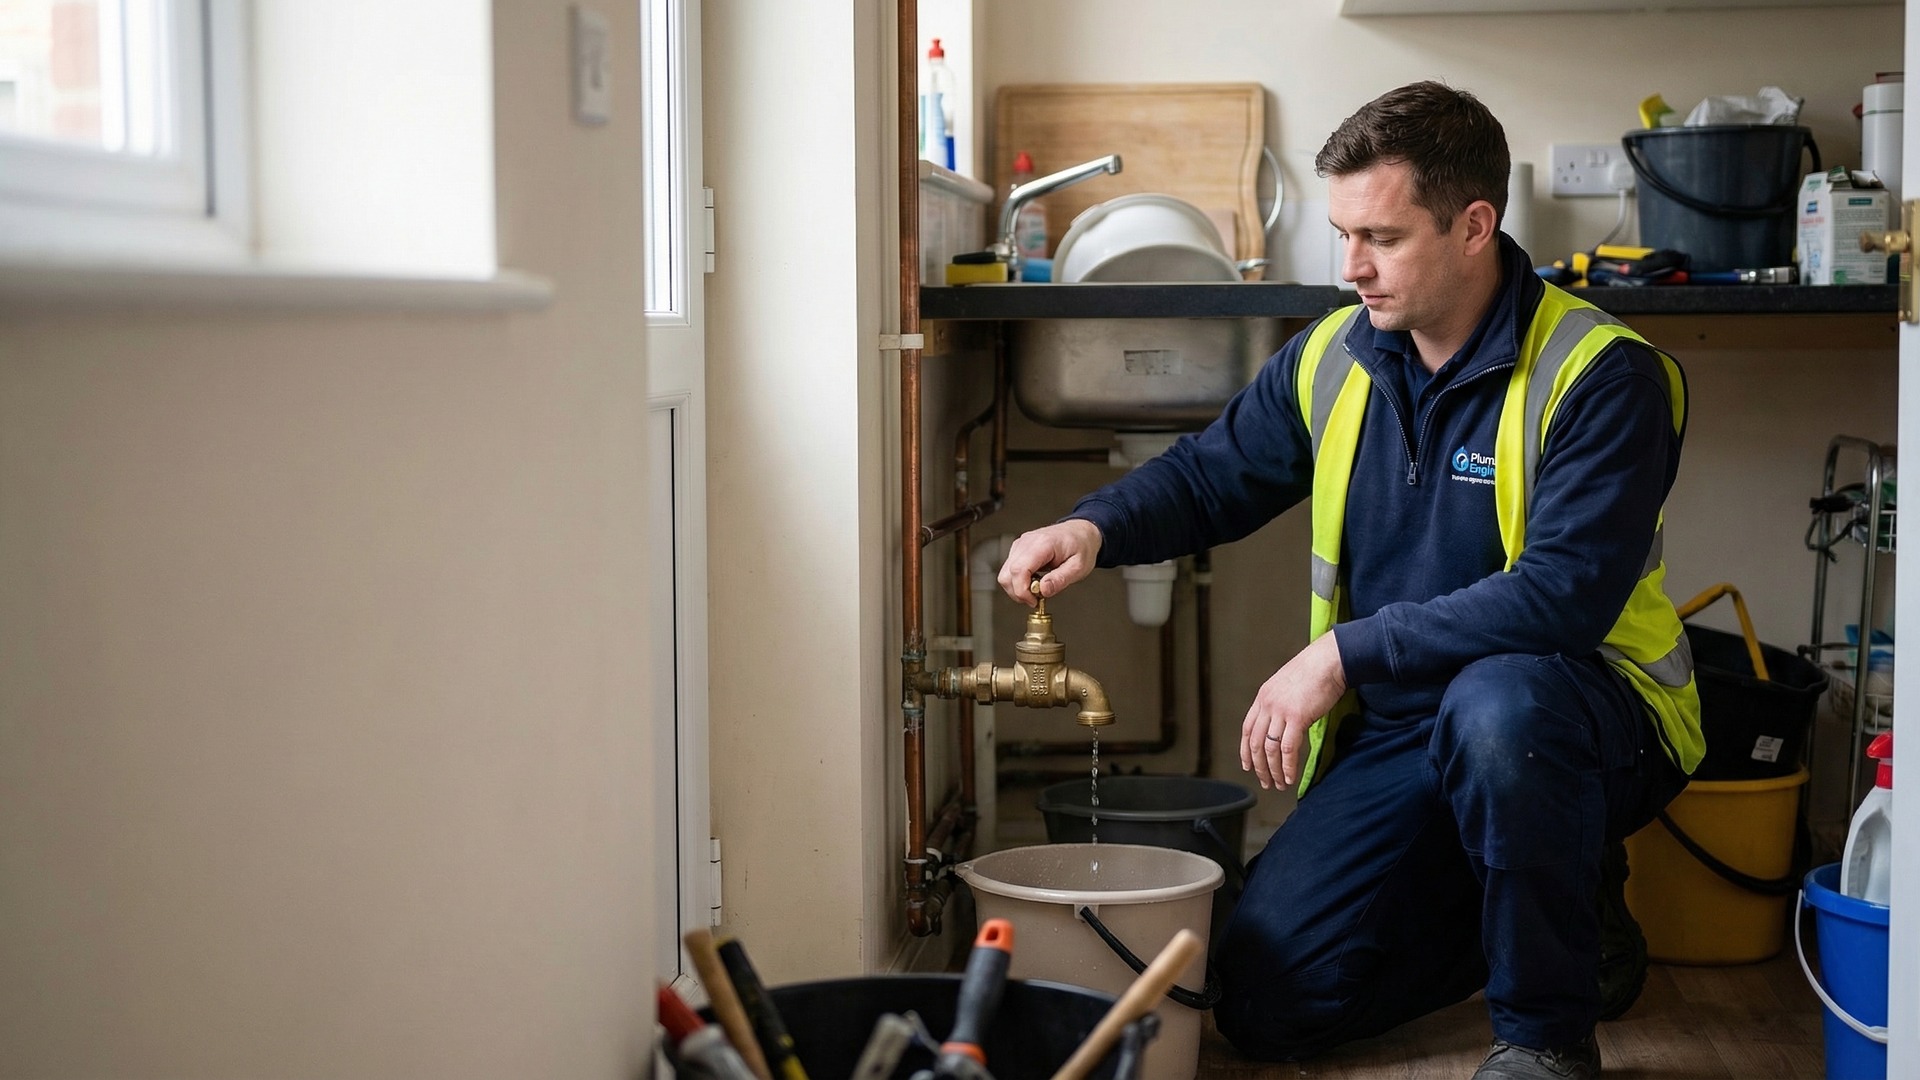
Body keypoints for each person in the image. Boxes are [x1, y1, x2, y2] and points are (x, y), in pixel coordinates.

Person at [995, 82, 1703, 1080]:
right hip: (1406, 727)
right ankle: (1568, 912)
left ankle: (1546, 1033)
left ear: (1474, 226)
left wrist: (1342, 653)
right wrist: (1093, 526)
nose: (1351, 267)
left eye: (1382, 236)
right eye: (1343, 234)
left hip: (1579, 713)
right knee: (1266, 1001)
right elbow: (1211, 476)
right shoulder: (1336, 355)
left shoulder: (1601, 374)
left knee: (1500, 708)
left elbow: (1563, 596)